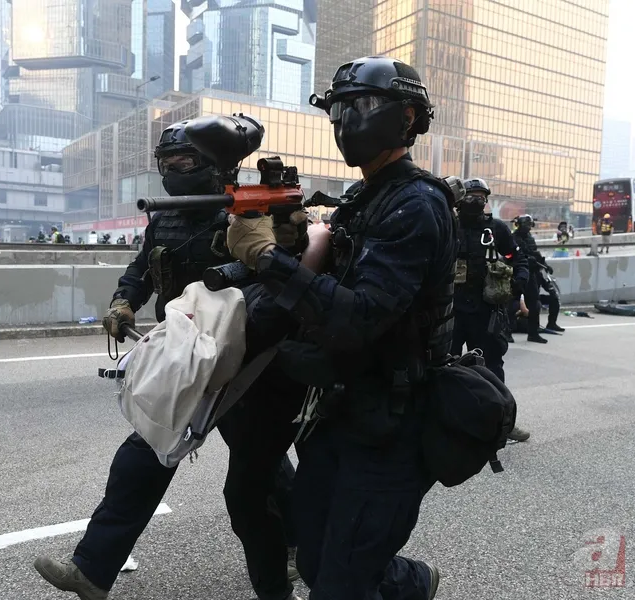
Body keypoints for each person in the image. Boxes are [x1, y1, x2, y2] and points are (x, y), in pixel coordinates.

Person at [34, 118, 311, 600]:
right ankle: (93, 570)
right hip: (183, 357)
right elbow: (144, 266)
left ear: (213, 165)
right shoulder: (164, 218)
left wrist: (280, 237)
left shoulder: (250, 212)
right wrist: (124, 300)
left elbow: (281, 274)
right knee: (146, 456)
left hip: (240, 361)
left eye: (184, 160)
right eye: (167, 162)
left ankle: (298, 549)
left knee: (259, 472)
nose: (173, 170)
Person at [225, 55, 452, 600]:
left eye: (363, 105)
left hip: (391, 421)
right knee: (315, 556)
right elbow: (326, 284)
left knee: (340, 582)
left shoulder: (416, 204)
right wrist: (291, 244)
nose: (347, 120)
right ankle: (410, 582)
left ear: (407, 118)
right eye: (338, 109)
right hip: (339, 408)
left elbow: (360, 318)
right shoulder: (362, 199)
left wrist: (268, 260)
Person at [451, 178, 531, 442]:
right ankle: (445, 423)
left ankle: (501, 422)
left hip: (485, 311)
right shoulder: (448, 226)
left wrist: (518, 284)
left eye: (480, 197)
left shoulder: (496, 229)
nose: (475, 201)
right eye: (470, 195)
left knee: (492, 367)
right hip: (449, 311)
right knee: (444, 366)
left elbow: (518, 258)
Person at [513, 215, 550, 344]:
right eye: (526, 225)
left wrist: (545, 265)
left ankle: (533, 333)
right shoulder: (513, 238)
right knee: (512, 303)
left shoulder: (529, 238)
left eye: (530, 225)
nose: (528, 227)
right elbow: (510, 254)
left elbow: (535, 253)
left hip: (531, 273)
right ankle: (506, 332)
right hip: (517, 272)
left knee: (535, 303)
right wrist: (524, 259)